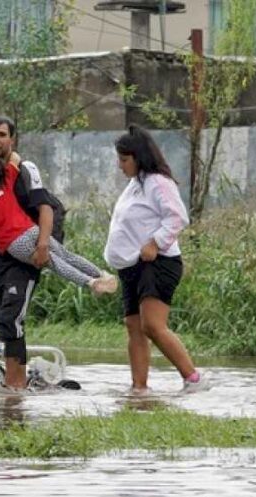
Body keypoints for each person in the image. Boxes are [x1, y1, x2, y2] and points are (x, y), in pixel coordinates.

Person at [105, 125, 209, 394]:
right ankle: (139, 387)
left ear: (138, 157)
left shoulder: (157, 182)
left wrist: (155, 242)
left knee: (152, 324)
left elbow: (177, 217)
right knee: (134, 326)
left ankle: (193, 379)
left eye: (124, 160)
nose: (120, 165)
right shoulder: (134, 185)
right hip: (131, 266)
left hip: (158, 263)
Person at [0, 116, 65, 389]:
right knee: (2, 319)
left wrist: (43, 246)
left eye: (1, 134)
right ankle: (16, 384)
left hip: (28, 252)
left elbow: (46, 208)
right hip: (0, 257)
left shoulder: (24, 170)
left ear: (12, 138)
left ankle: (15, 389)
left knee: (11, 317)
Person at [0, 153, 117, 295]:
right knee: (66, 255)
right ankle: (102, 274)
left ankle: (91, 283)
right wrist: (1, 165)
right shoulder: (6, 184)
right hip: (31, 230)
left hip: (15, 243)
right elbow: (15, 157)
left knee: (54, 263)